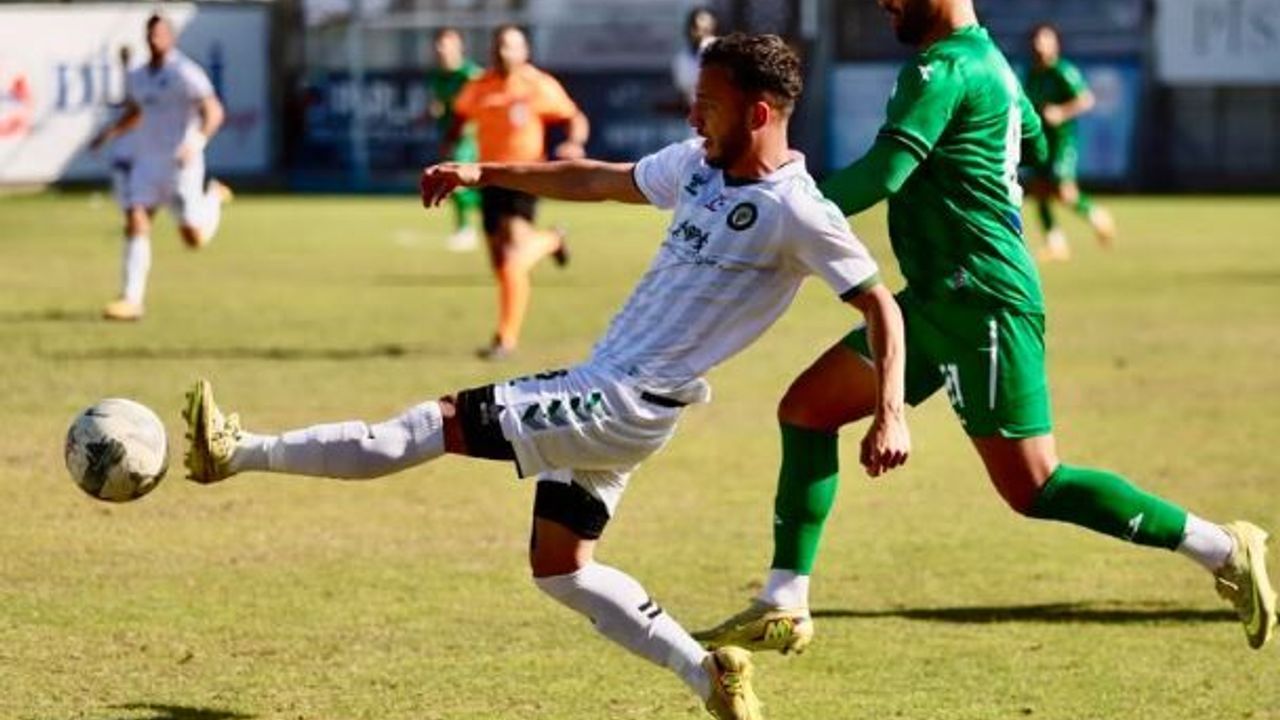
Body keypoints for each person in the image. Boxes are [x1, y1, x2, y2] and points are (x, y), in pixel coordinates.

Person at [182, 33, 909, 720]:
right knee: (562, 569)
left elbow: (881, 305)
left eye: (708, 104)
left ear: (756, 114)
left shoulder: (797, 211)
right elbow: (600, 179)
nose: (694, 116)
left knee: (429, 425)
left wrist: (890, 412)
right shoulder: (698, 164)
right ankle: (707, 674)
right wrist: (485, 171)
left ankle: (237, 452)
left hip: (620, 400)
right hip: (617, 396)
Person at [695, 0, 1275, 657]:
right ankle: (783, 600)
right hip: (935, 301)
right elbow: (1036, 141)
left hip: (984, 304)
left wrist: (768, 211)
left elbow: (885, 173)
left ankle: (1224, 547)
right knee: (807, 410)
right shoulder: (991, 63)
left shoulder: (942, 70)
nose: (884, 1)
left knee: (1036, 485)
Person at [449, 24, 589, 360]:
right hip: (489, 178)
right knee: (500, 262)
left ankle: (506, 339)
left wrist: (574, 142)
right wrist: (450, 150)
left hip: (526, 176)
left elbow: (574, 117)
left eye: (510, 46)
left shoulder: (538, 85)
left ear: (524, 51)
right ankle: (552, 240)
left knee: (513, 258)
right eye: (499, 45)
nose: (503, 52)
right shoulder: (479, 86)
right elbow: (459, 117)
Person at [89, 14, 232, 322]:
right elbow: (137, 112)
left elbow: (214, 111)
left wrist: (196, 141)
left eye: (160, 34)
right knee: (136, 220)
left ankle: (214, 197)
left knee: (193, 238)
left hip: (181, 164)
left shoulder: (185, 72)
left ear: (171, 37)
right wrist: (109, 133)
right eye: (151, 35)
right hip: (146, 163)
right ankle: (131, 300)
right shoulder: (139, 76)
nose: (154, 40)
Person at [1024, 22, 1116, 262]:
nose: (1039, 44)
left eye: (1045, 39)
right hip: (1041, 142)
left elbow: (1086, 99)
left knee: (1065, 192)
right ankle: (1055, 244)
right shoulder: (1032, 74)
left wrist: (1061, 112)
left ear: (1055, 44)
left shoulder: (1063, 71)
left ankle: (1097, 216)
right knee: (1039, 191)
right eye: (1036, 39)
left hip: (1063, 143)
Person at [425, 27, 483, 252]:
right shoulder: (438, 77)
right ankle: (467, 226)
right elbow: (440, 104)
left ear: (459, 47)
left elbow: (481, 105)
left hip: (469, 138)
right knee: (460, 183)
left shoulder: (471, 75)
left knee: (456, 180)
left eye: (446, 44)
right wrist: (431, 112)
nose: (441, 49)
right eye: (438, 44)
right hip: (448, 135)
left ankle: (466, 230)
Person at [106, 45, 138, 213]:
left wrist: (113, 131)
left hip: (132, 137)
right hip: (126, 139)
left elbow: (136, 107)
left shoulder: (135, 75)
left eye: (125, 55)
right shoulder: (125, 74)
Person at [673, 7, 718, 111]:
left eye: (706, 29)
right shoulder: (682, 58)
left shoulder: (721, 53)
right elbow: (683, 92)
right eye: (695, 27)